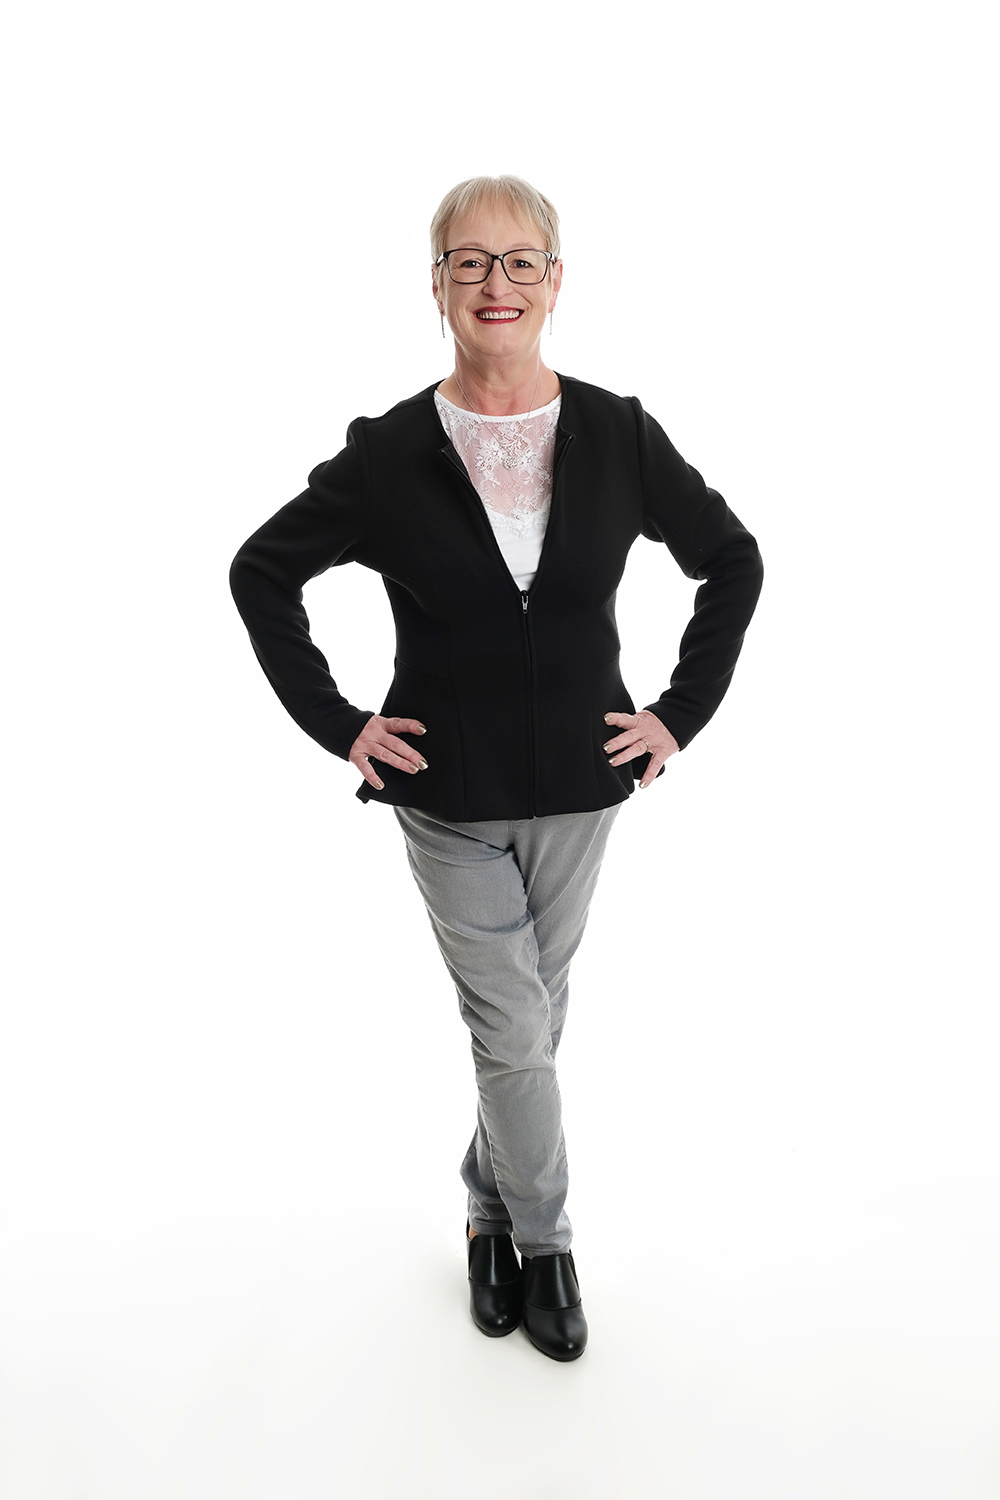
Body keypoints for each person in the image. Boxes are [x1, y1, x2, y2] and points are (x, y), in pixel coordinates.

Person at [229, 175, 763, 1362]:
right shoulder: (387, 454)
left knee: (530, 1022)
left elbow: (731, 559)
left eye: (520, 261)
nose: (496, 284)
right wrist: (340, 724)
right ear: (436, 286)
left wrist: (677, 715)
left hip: (583, 784)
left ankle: (482, 1211)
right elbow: (260, 572)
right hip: (446, 793)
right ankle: (545, 1244)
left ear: (555, 281)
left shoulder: (618, 432)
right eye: (468, 262)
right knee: (514, 1026)